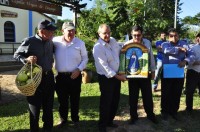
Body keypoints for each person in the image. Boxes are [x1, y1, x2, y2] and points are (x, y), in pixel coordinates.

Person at [14, 19, 57, 132]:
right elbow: (17, 54)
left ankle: (48, 129)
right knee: (35, 108)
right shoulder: (29, 41)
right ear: (42, 31)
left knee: (48, 107)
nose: (53, 34)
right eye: (50, 31)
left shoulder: (50, 41)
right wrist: (26, 59)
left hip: (49, 78)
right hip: (34, 79)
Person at [53, 22, 88, 127]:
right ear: (62, 31)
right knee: (62, 100)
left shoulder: (80, 43)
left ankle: (75, 119)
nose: (71, 32)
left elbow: (85, 58)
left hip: (75, 76)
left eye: (73, 30)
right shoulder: (55, 41)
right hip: (60, 76)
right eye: (69, 30)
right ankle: (63, 120)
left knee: (75, 99)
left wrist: (79, 69)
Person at [93, 24, 127, 132]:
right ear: (99, 34)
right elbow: (105, 68)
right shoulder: (98, 47)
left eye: (108, 32)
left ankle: (109, 121)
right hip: (106, 78)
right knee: (106, 102)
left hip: (117, 76)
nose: (107, 35)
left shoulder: (113, 40)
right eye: (104, 33)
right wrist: (119, 77)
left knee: (115, 101)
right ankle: (102, 125)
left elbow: (121, 51)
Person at [125, 25, 158, 124]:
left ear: (142, 34)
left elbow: (151, 57)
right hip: (132, 75)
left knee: (147, 96)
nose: (136, 37)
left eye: (138, 35)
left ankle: (150, 115)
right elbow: (125, 60)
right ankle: (133, 117)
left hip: (145, 74)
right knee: (133, 97)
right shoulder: (127, 44)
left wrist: (153, 71)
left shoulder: (147, 42)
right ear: (131, 34)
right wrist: (123, 73)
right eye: (134, 35)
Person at [161, 28, 195, 120]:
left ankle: (174, 111)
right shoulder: (165, 44)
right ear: (168, 37)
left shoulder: (185, 44)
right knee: (166, 92)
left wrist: (185, 61)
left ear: (178, 35)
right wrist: (179, 49)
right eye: (171, 36)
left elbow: (192, 55)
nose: (174, 38)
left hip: (179, 72)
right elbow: (165, 50)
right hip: (167, 71)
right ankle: (164, 111)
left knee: (177, 92)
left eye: (175, 35)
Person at [185, 33, 200, 113]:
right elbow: (189, 61)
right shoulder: (191, 47)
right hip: (192, 72)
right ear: (197, 38)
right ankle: (189, 109)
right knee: (190, 91)